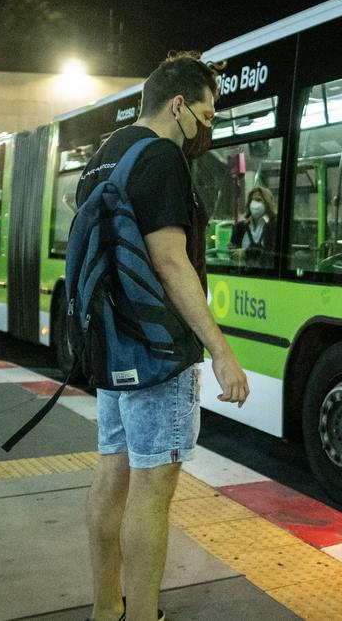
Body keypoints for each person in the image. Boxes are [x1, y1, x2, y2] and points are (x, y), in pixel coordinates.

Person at [75, 51, 251, 621]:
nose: (208, 127)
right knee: (152, 492)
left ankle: (107, 609)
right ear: (178, 106)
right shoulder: (163, 158)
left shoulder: (104, 156)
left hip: (112, 345)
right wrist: (222, 355)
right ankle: (145, 614)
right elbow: (172, 263)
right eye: (207, 113)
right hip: (159, 352)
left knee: (111, 477)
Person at [229, 185, 278, 267]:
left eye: (259, 200)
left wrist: (246, 253)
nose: (255, 203)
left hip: (267, 276)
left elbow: (272, 252)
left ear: (267, 203)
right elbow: (232, 251)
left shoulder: (274, 225)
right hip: (243, 275)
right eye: (252, 200)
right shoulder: (240, 227)